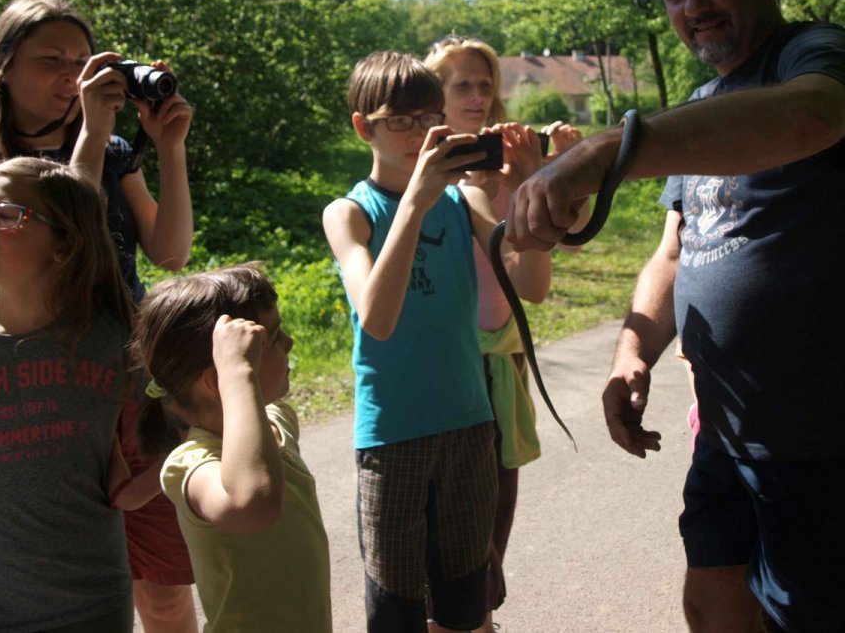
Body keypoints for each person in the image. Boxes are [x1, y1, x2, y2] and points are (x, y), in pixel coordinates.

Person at [505, 0, 845, 632]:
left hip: (835, 434)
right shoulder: (701, 104)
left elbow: (810, 117)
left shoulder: (822, 55)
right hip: (727, 430)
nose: (693, 6)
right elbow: (676, 248)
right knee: (714, 603)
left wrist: (608, 148)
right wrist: (633, 354)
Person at [0, 0, 198, 633]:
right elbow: (63, 242)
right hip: (37, 378)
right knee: (50, 569)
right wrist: (94, 137)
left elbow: (171, 252)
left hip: (121, 372)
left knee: (160, 589)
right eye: (51, 61)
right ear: (0, 66)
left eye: (81, 61)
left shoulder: (109, 152)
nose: (71, 78)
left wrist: (167, 148)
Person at [322, 50, 552, 633]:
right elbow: (376, 318)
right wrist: (417, 201)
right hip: (393, 436)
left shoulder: (466, 201)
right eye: (399, 121)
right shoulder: (350, 214)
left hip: (470, 427)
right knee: (397, 612)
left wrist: (529, 185)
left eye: (428, 119)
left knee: (464, 608)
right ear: (362, 126)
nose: (418, 134)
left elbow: (533, 286)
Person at [0, 157, 136, 631]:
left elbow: (169, 444)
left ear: (64, 245)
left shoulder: (114, 343)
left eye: (3, 215)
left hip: (94, 607)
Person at [424, 36, 583, 633]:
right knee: (448, 570)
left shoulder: (512, 174)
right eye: (461, 84)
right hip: (443, 385)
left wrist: (542, 181)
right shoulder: (423, 181)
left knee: (486, 564)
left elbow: (532, 288)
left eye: (485, 84)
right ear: (431, 97)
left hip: (500, 382)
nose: (477, 95)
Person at [130, 263, 333, 633]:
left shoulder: (276, 423)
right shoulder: (192, 466)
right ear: (218, 379)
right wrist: (239, 374)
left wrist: (240, 376)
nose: (289, 343)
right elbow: (253, 503)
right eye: (270, 340)